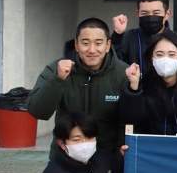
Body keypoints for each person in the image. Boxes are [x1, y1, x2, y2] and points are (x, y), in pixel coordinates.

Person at [28, 18, 130, 154]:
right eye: (85, 43)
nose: (92, 50)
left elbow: (131, 118)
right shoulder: (57, 69)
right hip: (65, 155)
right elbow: (37, 111)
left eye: (98, 43)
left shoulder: (123, 73)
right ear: (76, 45)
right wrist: (57, 80)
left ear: (107, 45)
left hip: (108, 158)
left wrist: (121, 147)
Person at [109, 0, 177, 72]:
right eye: (144, 13)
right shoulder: (128, 38)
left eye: (156, 13)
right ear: (138, 13)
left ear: (167, 14)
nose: (151, 17)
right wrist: (117, 34)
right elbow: (112, 64)